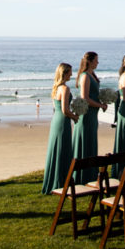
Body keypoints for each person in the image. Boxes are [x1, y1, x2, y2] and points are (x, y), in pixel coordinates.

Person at [42, 62, 78, 193]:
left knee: (56, 149)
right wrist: (75, 117)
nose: (72, 74)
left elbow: (58, 108)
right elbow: (65, 110)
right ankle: (61, 181)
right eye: (70, 72)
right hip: (63, 121)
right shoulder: (65, 89)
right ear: (65, 73)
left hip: (55, 121)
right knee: (63, 149)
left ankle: (53, 180)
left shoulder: (56, 88)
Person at [72, 51, 107, 181]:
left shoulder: (92, 74)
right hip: (86, 115)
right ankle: (82, 176)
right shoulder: (85, 76)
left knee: (91, 142)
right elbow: (85, 98)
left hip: (93, 115)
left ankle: (90, 174)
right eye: (96, 60)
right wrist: (100, 105)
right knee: (85, 142)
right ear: (90, 61)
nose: (98, 62)